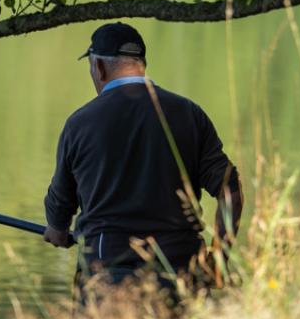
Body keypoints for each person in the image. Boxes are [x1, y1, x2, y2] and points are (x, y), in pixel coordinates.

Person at [43, 21, 243, 301]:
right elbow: (229, 188)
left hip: (106, 271)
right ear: (141, 64)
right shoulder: (188, 114)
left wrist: (57, 228)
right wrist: (219, 257)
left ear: (98, 67)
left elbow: (60, 205)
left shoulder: (80, 123)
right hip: (181, 269)